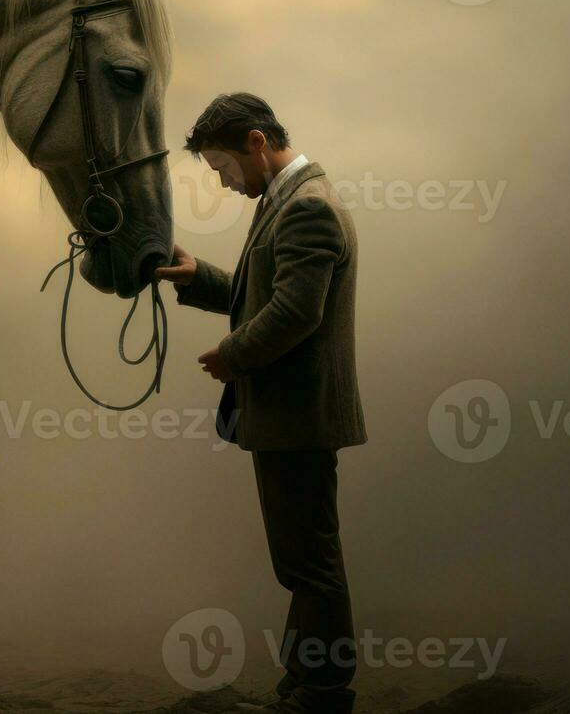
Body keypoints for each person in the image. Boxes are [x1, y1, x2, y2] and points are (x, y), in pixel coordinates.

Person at [156, 93, 366, 714]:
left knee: (310, 562)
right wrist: (202, 279)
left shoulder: (306, 209)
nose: (223, 182)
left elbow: (298, 311)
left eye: (222, 167)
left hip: (297, 415)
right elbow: (267, 290)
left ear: (255, 142)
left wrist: (234, 354)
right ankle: (306, 684)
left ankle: (323, 691)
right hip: (292, 415)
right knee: (302, 560)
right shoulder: (289, 200)